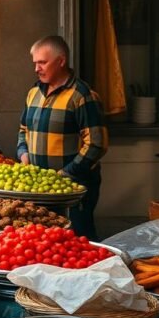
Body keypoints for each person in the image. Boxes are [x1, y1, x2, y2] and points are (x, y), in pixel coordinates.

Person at [17, 35, 107, 240]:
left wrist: (66, 173)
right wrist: (23, 154)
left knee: (77, 241)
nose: (36, 68)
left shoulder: (82, 95)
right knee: (44, 244)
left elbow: (96, 144)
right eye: (35, 63)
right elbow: (23, 130)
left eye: (42, 62)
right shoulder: (34, 93)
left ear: (61, 61)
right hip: (39, 187)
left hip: (74, 189)